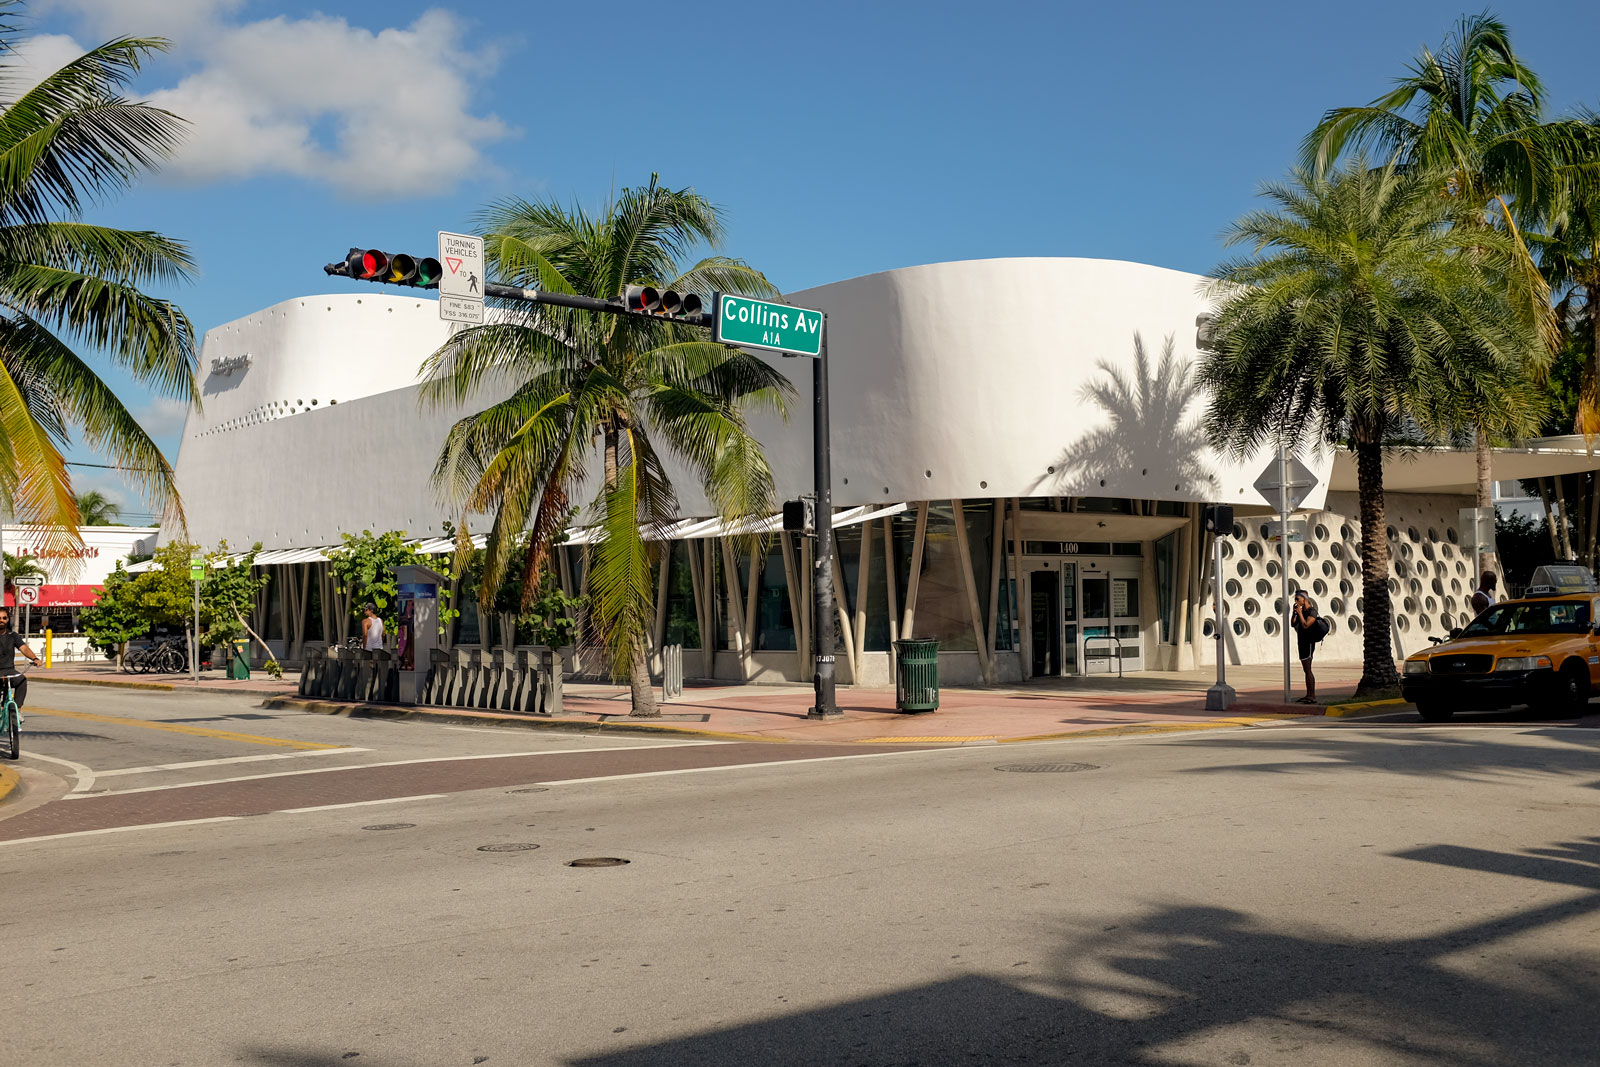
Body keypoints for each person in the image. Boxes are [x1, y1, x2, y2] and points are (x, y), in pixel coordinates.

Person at [0, 607, 42, 714]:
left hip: (10, 671)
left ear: (8, 619)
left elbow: (24, 648)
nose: (1, 620)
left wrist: (34, 658)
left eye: (4, 618)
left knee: (22, 680)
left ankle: (17, 710)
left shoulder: (13, 636)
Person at [1289, 590, 1322, 704]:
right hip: (1301, 642)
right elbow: (1293, 624)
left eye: (1297, 599)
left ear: (1304, 599)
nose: (1296, 601)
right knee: (1305, 670)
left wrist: (1301, 613)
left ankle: (1312, 696)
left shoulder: (1312, 611)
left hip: (1308, 643)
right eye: (1295, 599)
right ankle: (1308, 694)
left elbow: (1306, 625)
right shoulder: (1300, 611)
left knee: (1308, 670)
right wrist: (1295, 613)